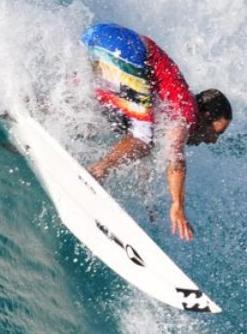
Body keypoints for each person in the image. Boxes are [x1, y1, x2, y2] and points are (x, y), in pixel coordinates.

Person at [79, 22, 231, 241]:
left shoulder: (167, 103)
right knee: (142, 138)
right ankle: (97, 171)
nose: (213, 141)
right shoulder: (186, 112)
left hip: (100, 37)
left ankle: (29, 110)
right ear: (206, 117)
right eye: (216, 133)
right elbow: (175, 157)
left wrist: (146, 200)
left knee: (96, 114)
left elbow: (144, 155)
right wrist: (177, 204)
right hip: (127, 51)